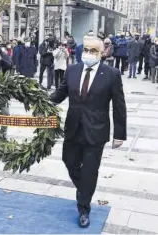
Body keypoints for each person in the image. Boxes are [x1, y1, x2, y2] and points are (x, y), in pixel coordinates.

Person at [50, 36, 127, 229]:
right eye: (86, 49)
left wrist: (119, 134)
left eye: (93, 50)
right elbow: (61, 93)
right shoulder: (72, 70)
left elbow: (119, 105)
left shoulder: (112, 74)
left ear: (103, 53)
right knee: (69, 161)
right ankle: (85, 190)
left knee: (90, 171)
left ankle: (83, 208)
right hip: (73, 128)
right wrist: (43, 102)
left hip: (96, 131)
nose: (88, 54)